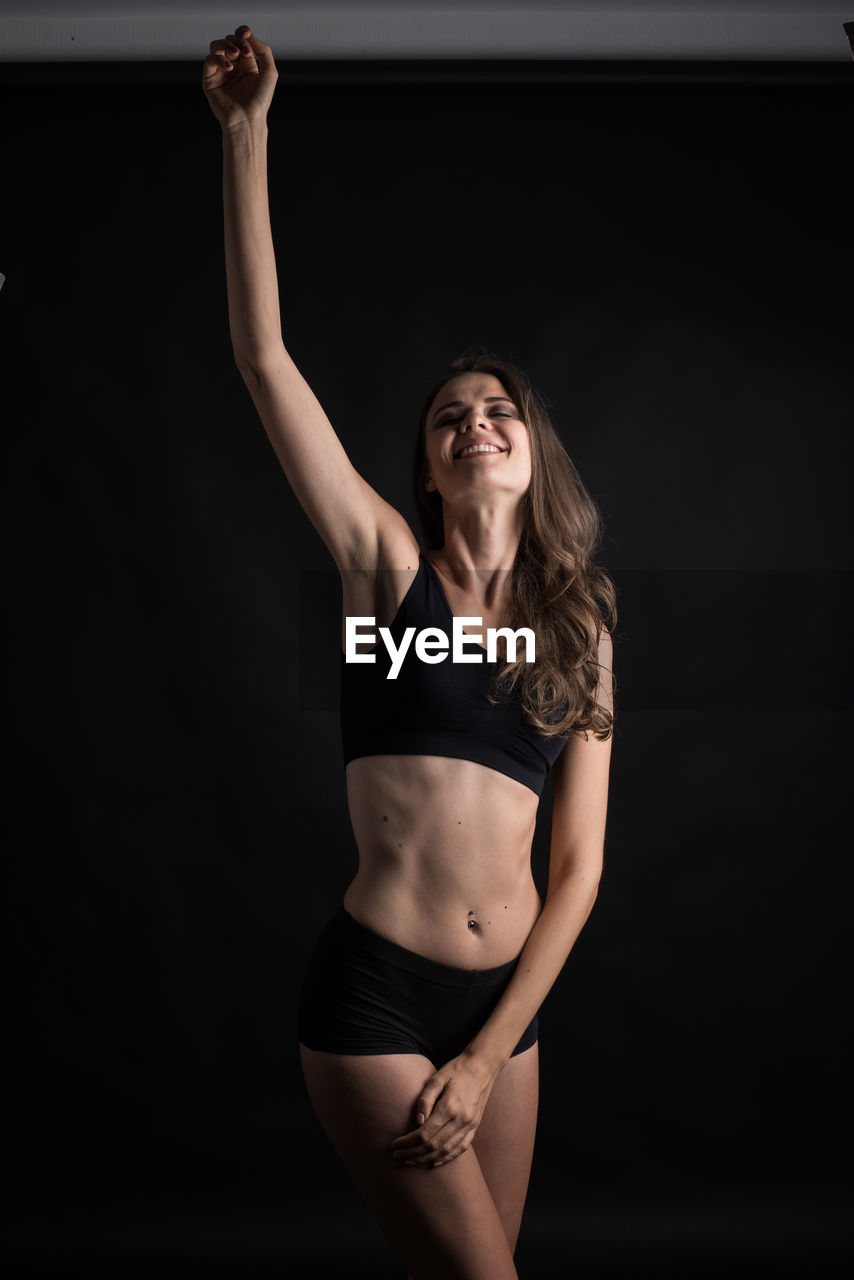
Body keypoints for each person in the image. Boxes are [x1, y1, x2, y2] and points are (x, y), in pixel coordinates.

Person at [203, 25, 616, 1280]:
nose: (476, 422)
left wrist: (494, 1048)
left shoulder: (584, 617)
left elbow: (580, 865)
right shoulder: (383, 572)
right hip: (375, 998)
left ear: (529, 451)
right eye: (451, 417)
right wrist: (246, 137)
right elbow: (264, 361)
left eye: (499, 411)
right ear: (430, 471)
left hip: (509, 1017)